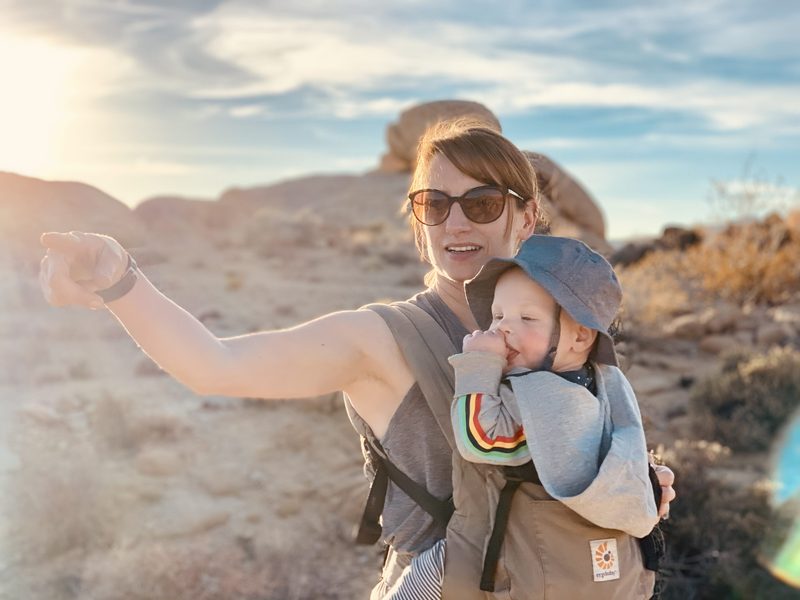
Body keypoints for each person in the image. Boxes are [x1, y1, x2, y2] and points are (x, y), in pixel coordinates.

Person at [38, 118, 675, 598]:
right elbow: (214, 365)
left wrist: (632, 484)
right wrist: (121, 281)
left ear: (527, 216)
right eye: (434, 203)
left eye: (480, 203)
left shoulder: (560, 329)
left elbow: (585, 442)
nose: (456, 222)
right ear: (417, 219)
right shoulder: (380, 338)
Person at [387, 234, 659, 599]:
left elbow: (479, 439)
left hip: (535, 559)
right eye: (497, 315)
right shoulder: (600, 387)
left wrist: (478, 365)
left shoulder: (551, 400)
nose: (502, 327)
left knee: (422, 580)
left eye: (526, 317)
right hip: (591, 562)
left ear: (580, 338)